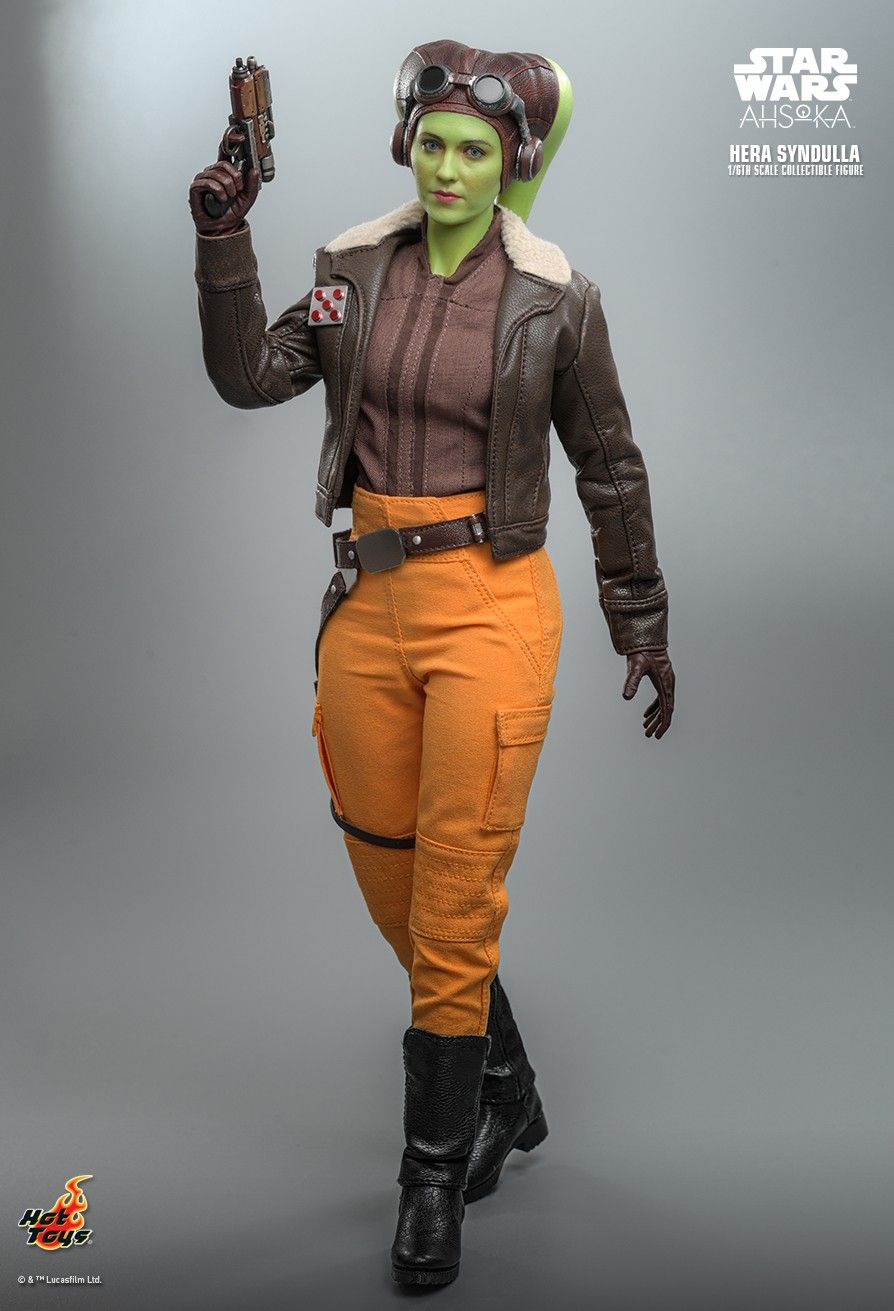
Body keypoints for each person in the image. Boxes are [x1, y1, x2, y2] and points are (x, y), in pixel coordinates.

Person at [189, 37, 675, 1288]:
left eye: (476, 149)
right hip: (368, 602)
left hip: (492, 605)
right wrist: (224, 239)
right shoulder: (349, 274)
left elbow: (609, 464)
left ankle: (432, 1175)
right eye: (434, 144)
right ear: (407, 142)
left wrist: (640, 614)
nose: (449, 168)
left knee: (455, 893)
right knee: (387, 871)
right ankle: (505, 1083)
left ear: (512, 161)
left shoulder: (555, 301)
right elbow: (252, 376)